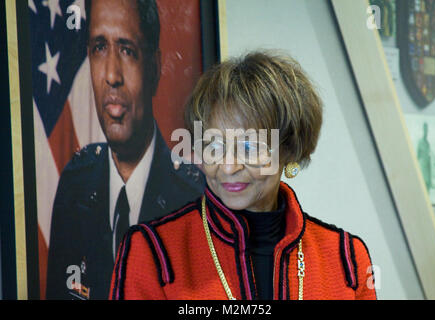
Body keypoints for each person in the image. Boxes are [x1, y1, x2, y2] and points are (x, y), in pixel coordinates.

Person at [109, 51, 377, 300]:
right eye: (214, 146)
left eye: (249, 147)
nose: (227, 167)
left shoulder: (347, 259)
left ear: (288, 149)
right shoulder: (152, 252)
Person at [46, 0, 204, 300]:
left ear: (155, 68)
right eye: (99, 48)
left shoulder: (194, 198)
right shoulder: (75, 186)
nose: (111, 76)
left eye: (127, 50)